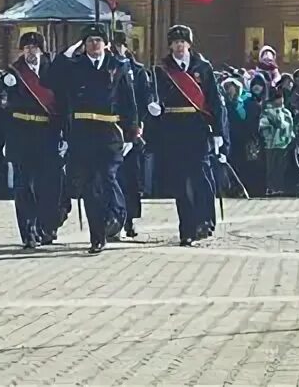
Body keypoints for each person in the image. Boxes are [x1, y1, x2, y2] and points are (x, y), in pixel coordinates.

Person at [63, 23, 139, 254]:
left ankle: (115, 216)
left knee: (107, 178)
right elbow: (54, 84)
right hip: (84, 132)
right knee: (89, 185)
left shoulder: (118, 66)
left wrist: (131, 131)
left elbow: (129, 100)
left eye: (98, 40)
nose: (94, 45)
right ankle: (97, 235)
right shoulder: (74, 67)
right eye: (89, 41)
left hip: (110, 131)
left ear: (106, 44)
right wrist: (67, 53)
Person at [149, 25, 224, 247]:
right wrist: (154, 108)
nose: (179, 46)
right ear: (170, 45)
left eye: (183, 42)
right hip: (174, 130)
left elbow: (214, 101)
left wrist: (219, 131)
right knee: (180, 182)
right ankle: (187, 229)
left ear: (189, 44)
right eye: (175, 43)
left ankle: (205, 220)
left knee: (200, 176)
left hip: (197, 128)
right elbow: (154, 95)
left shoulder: (203, 67)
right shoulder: (161, 70)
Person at [1, 30, 66, 249]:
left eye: (34, 48)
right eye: (27, 48)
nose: (31, 51)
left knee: (49, 186)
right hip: (22, 133)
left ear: (41, 49)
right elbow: (4, 108)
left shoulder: (54, 71)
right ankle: (28, 231)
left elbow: (63, 103)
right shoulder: (13, 73)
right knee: (23, 186)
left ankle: (46, 226)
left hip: (48, 134)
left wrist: (65, 133)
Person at [112, 32, 154, 238]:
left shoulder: (137, 72)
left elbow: (144, 101)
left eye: (119, 46)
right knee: (112, 178)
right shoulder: (108, 69)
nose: (116, 50)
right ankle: (114, 219)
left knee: (131, 179)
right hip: (110, 129)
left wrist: (138, 127)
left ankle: (129, 220)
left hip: (132, 132)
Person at [259, 86, 294, 196]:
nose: (281, 100)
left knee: (281, 166)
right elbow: (263, 126)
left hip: (284, 143)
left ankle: (280, 187)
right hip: (271, 144)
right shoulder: (267, 112)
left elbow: (290, 125)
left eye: (281, 98)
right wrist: (270, 136)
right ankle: (271, 187)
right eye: (278, 98)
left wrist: (289, 136)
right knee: (271, 167)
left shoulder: (286, 112)